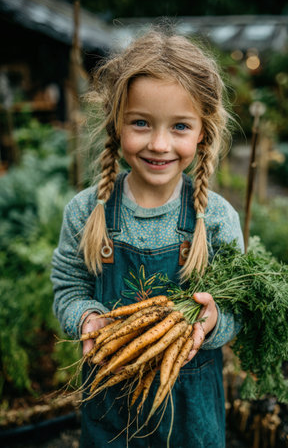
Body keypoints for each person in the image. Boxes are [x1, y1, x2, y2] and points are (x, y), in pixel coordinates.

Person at [51, 27, 244, 448]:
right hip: (109, 398)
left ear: (202, 132)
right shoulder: (86, 211)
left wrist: (213, 320)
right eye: (141, 123)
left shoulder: (215, 219)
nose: (159, 144)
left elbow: (235, 309)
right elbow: (68, 286)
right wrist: (86, 317)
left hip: (189, 413)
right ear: (116, 124)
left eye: (179, 126)